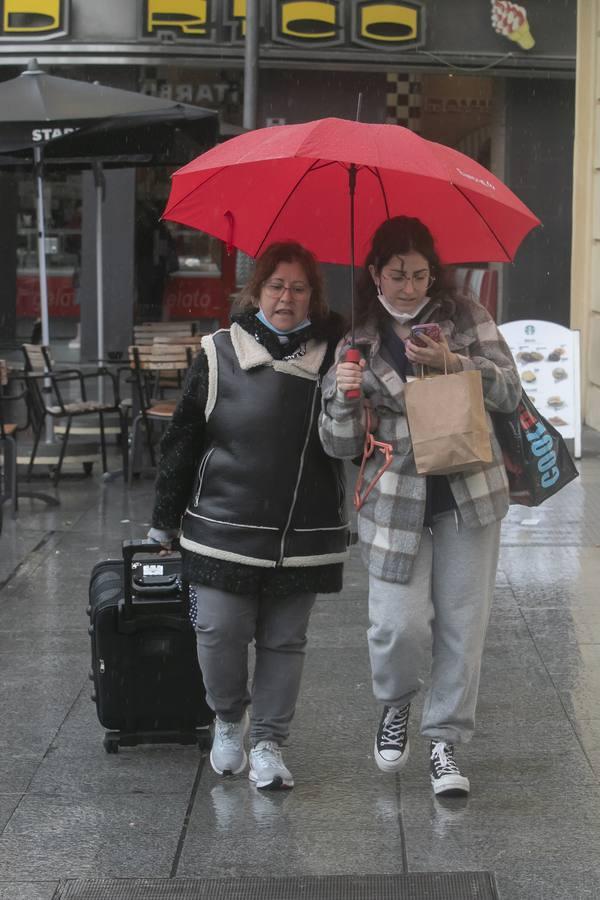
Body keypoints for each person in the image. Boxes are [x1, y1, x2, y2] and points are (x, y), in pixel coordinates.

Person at [319, 216, 520, 797]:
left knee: (463, 626)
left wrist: (457, 365)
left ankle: (445, 742)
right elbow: (336, 444)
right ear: (375, 274)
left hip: (466, 492)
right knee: (395, 625)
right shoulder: (356, 340)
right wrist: (344, 394)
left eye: (420, 275)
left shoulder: (466, 319)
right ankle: (395, 705)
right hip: (392, 498)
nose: (409, 287)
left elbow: (510, 390)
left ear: (435, 273)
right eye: (397, 275)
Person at [149, 241, 348, 790]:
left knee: (286, 640)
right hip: (220, 529)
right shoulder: (218, 351)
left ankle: (268, 743)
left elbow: (351, 443)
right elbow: (183, 438)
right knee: (218, 630)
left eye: (299, 287)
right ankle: (228, 717)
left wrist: (352, 391)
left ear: (314, 295)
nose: (287, 296)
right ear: (257, 290)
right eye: (277, 285)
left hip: (303, 530)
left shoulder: (338, 355)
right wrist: (164, 517)